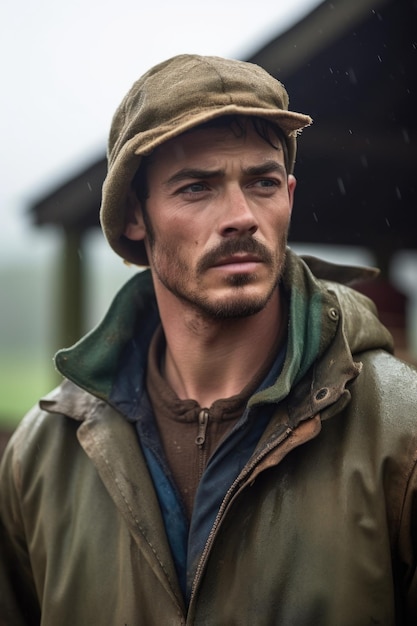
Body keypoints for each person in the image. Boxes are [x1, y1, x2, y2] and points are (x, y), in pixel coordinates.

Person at [0, 54, 416, 626]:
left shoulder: (401, 431)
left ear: (289, 196)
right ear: (133, 219)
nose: (241, 216)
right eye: (196, 188)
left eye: (262, 182)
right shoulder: (43, 455)